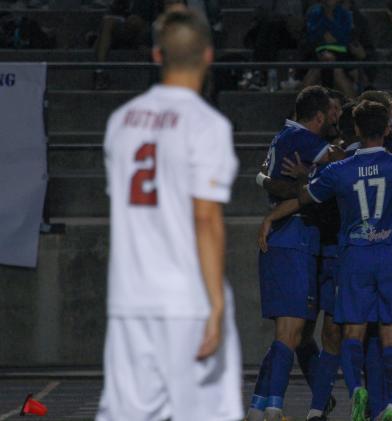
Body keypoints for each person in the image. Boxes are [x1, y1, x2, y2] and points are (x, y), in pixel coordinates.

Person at [96, 9, 242, 421]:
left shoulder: (120, 122)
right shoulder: (206, 124)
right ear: (209, 56)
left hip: (130, 297)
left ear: (157, 55)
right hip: (185, 298)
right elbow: (205, 218)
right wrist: (215, 305)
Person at [259, 100, 392, 421]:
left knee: (350, 332)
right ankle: (386, 403)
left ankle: (356, 388)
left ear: (356, 129)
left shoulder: (339, 170)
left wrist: (272, 215)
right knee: (391, 333)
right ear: (386, 129)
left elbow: (305, 197)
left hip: (355, 254)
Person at [246, 85, 336, 421]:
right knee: (292, 332)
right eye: (333, 114)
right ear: (318, 117)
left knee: (291, 333)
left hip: (285, 240)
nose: (335, 120)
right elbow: (344, 162)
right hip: (295, 238)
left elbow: (268, 177)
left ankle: (259, 405)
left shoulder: (282, 135)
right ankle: (274, 407)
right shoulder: (306, 140)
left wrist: (266, 182)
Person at [303, 0, 357, 98]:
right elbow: (312, 34)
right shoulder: (314, 13)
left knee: (338, 72)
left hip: (341, 53)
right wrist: (325, 34)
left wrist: (329, 24)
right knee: (312, 74)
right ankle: (300, 111)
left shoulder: (345, 14)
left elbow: (345, 37)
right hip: (319, 52)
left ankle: (352, 109)